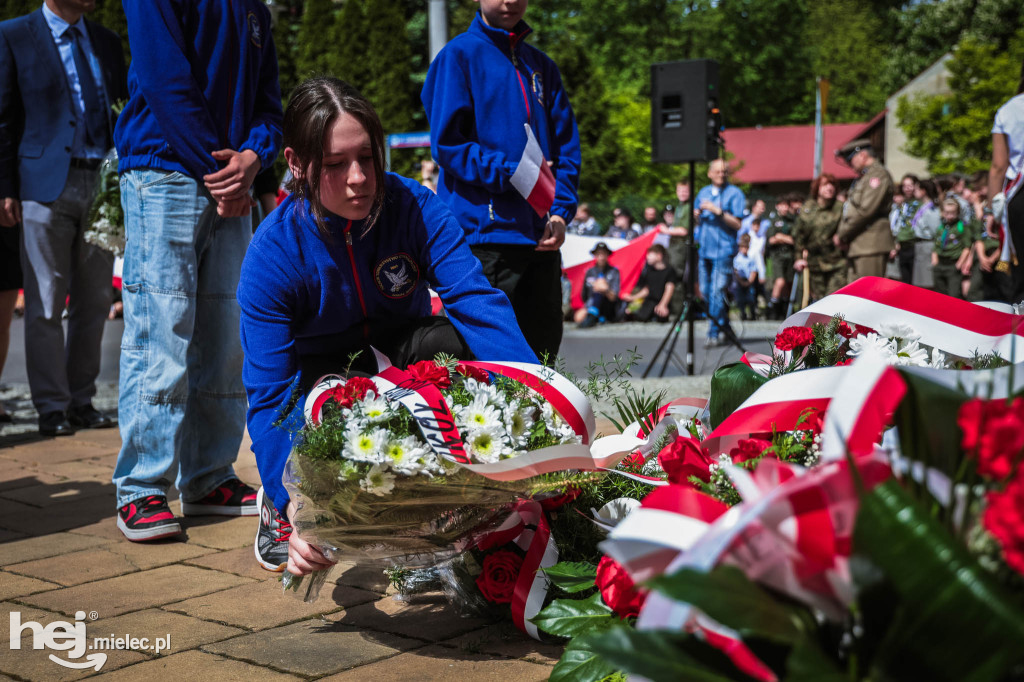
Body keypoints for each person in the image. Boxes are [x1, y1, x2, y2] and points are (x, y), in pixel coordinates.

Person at [238, 78, 537, 575]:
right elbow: (271, 395)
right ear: (296, 164)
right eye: (335, 164)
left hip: (400, 354)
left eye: (368, 158)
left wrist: (539, 396)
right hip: (323, 378)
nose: (359, 178)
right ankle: (276, 504)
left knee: (451, 342)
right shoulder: (272, 256)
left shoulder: (414, 208)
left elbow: (475, 299)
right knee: (316, 429)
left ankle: (450, 489)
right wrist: (293, 500)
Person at [111, 0, 283, 542]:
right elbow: (166, 82)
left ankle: (209, 477)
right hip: (165, 171)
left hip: (229, 181)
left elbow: (269, 105)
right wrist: (224, 174)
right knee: (160, 329)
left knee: (226, 338)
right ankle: (142, 486)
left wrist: (255, 157)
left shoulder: (255, 6)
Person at [421, 0, 581, 364]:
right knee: (482, 367)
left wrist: (560, 213)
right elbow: (448, 146)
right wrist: (513, 172)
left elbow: (567, 149)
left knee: (541, 364)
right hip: (483, 241)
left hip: (540, 240)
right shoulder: (458, 56)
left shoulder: (541, 66)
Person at [0, 0, 127, 436]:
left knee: (94, 300)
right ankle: (51, 407)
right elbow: (2, 118)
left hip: (102, 186)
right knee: (45, 302)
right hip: (42, 186)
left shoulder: (107, 42)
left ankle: (81, 401)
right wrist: (5, 187)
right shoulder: (14, 34)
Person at [694, 159, 744, 346]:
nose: (721, 175)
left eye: (724, 171)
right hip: (705, 249)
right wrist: (697, 217)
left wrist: (718, 211)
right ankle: (726, 327)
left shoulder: (735, 194)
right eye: (717, 171)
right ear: (709, 173)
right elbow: (700, 222)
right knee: (706, 292)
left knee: (716, 291)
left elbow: (738, 224)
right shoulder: (703, 192)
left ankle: (713, 332)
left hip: (723, 251)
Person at [834, 139, 895, 281]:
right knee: (856, 295)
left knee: (870, 295)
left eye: (850, 160)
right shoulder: (865, 177)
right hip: (860, 244)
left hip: (871, 245)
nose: (850, 165)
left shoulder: (878, 175)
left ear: (862, 155)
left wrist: (842, 233)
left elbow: (865, 210)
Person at [987, 68, 1024, 300]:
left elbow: (999, 167)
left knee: (1020, 275)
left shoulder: (1009, 109)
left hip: (1020, 196)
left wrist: (992, 211)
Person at [793, 174, 845, 303]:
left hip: (837, 262)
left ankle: (836, 323)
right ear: (817, 188)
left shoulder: (841, 207)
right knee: (819, 301)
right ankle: (821, 324)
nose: (829, 188)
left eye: (832, 185)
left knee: (834, 299)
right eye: (825, 185)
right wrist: (799, 258)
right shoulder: (808, 208)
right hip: (815, 262)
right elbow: (799, 234)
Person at [931, 198, 976, 299]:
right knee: (939, 294)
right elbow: (936, 245)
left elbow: (967, 247)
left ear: (958, 212)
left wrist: (959, 264)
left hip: (953, 264)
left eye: (953, 213)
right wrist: (934, 261)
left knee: (954, 295)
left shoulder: (962, 226)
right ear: (942, 212)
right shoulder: (941, 227)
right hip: (940, 264)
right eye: (947, 213)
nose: (950, 216)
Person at [621, 244, 675, 322]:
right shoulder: (649, 271)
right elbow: (647, 290)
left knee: (662, 317)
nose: (647, 257)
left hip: (662, 301)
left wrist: (663, 304)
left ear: (659, 256)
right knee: (635, 315)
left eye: (650, 254)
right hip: (649, 301)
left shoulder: (669, 270)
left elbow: (669, 289)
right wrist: (632, 298)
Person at [575, 242, 621, 328]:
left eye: (604, 254)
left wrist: (605, 289)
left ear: (607, 255)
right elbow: (584, 294)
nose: (601, 257)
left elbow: (614, 296)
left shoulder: (614, 271)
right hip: (591, 303)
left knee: (601, 284)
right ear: (595, 255)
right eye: (599, 254)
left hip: (608, 304)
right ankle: (595, 314)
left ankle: (594, 315)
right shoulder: (590, 272)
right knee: (578, 318)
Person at [765, 196, 796, 319]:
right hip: (778, 256)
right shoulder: (773, 220)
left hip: (790, 256)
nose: (784, 208)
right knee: (780, 281)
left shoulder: (792, 220)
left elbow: (794, 239)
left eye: (786, 205)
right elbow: (771, 239)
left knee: (788, 283)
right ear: (777, 206)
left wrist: (781, 237)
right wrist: (782, 238)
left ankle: (785, 309)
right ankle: (772, 307)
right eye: (781, 205)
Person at [892, 174, 921, 284]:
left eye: (910, 185)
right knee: (905, 281)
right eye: (905, 186)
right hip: (902, 247)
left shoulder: (920, 204)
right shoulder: (903, 205)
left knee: (916, 282)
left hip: (914, 246)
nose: (907, 188)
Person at [732, 234, 759, 320]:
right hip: (740, 281)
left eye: (746, 248)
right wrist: (741, 282)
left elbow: (753, 271)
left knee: (751, 298)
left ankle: (752, 313)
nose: (744, 250)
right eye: (742, 247)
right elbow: (736, 271)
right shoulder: (736, 259)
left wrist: (749, 282)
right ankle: (742, 313)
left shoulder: (750, 259)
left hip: (748, 281)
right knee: (740, 299)